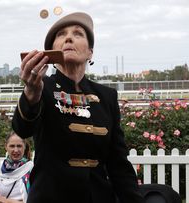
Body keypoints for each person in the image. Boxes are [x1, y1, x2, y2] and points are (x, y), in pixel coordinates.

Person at [12, 12, 144, 203]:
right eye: (61, 35)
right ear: (51, 51)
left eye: (78, 34)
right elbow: (22, 129)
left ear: (90, 52)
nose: (68, 38)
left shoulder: (106, 96)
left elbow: (118, 164)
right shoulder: (43, 88)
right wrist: (31, 93)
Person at [0, 132, 33, 203]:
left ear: (24, 146)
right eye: (12, 146)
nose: (16, 150)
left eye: (19, 146)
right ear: (6, 147)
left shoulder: (31, 168)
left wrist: (7, 201)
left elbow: (37, 197)